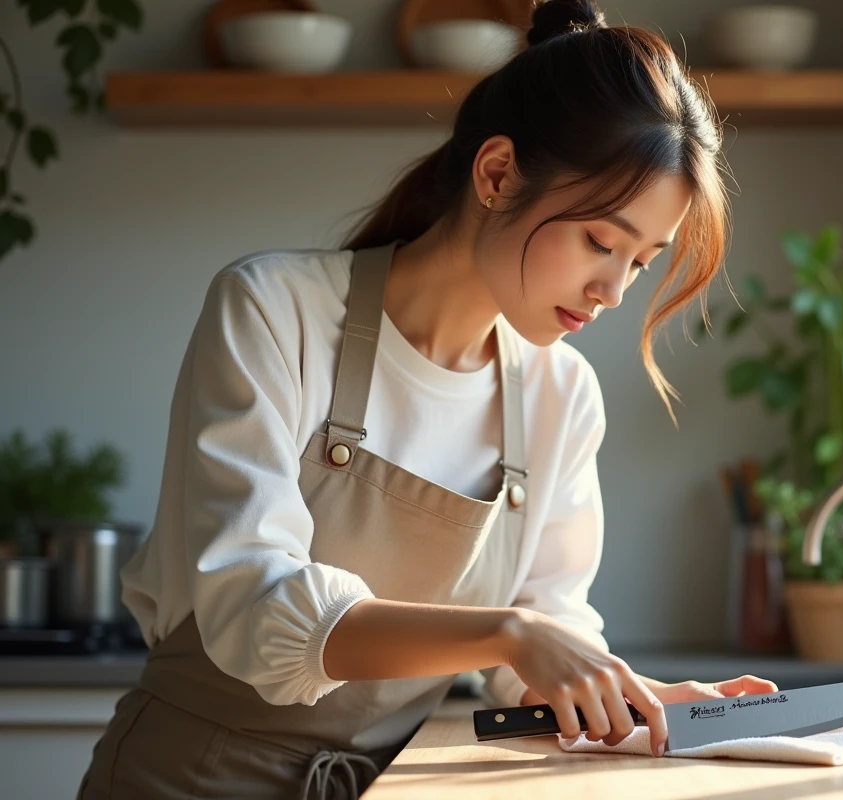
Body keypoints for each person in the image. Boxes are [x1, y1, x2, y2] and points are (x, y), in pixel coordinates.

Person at [77, 1, 779, 797]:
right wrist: (512, 634)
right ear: (497, 173)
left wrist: (642, 700)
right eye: (600, 241)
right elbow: (253, 602)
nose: (614, 291)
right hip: (188, 779)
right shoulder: (274, 309)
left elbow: (547, 634)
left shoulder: (560, 394)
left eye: (641, 263)